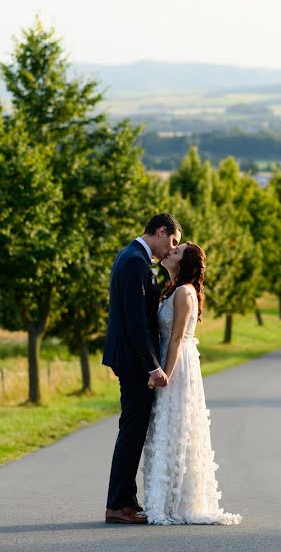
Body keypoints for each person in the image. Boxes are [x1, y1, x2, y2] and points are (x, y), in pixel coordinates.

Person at [142, 242, 242, 525]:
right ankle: (164, 499)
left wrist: (165, 375)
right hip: (168, 359)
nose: (169, 252)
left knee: (177, 427)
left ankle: (177, 502)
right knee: (167, 428)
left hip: (178, 366)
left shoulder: (185, 293)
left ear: (184, 263)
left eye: (177, 251)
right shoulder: (173, 289)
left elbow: (175, 339)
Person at [103, 213, 181, 525]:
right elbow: (136, 322)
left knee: (133, 429)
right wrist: (151, 367)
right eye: (172, 241)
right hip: (134, 362)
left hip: (130, 359)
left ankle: (125, 500)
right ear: (161, 231)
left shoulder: (132, 256)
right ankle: (119, 504)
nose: (170, 249)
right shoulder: (135, 261)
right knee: (132, 431)